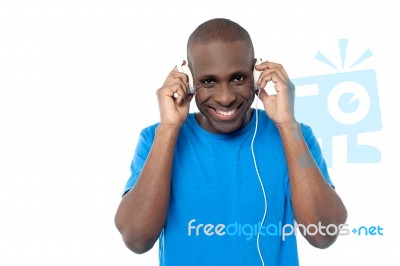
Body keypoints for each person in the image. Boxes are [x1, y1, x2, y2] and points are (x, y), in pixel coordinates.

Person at [114, 18, 347, 265]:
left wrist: (288, 126)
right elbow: (137, 240)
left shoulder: (295, 136)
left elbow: (323, 235)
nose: (225, 98)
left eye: (237, 78)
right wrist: (169, 128)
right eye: (208, 81)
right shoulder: (156, 138)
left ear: (257, 76)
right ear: (189, 82)